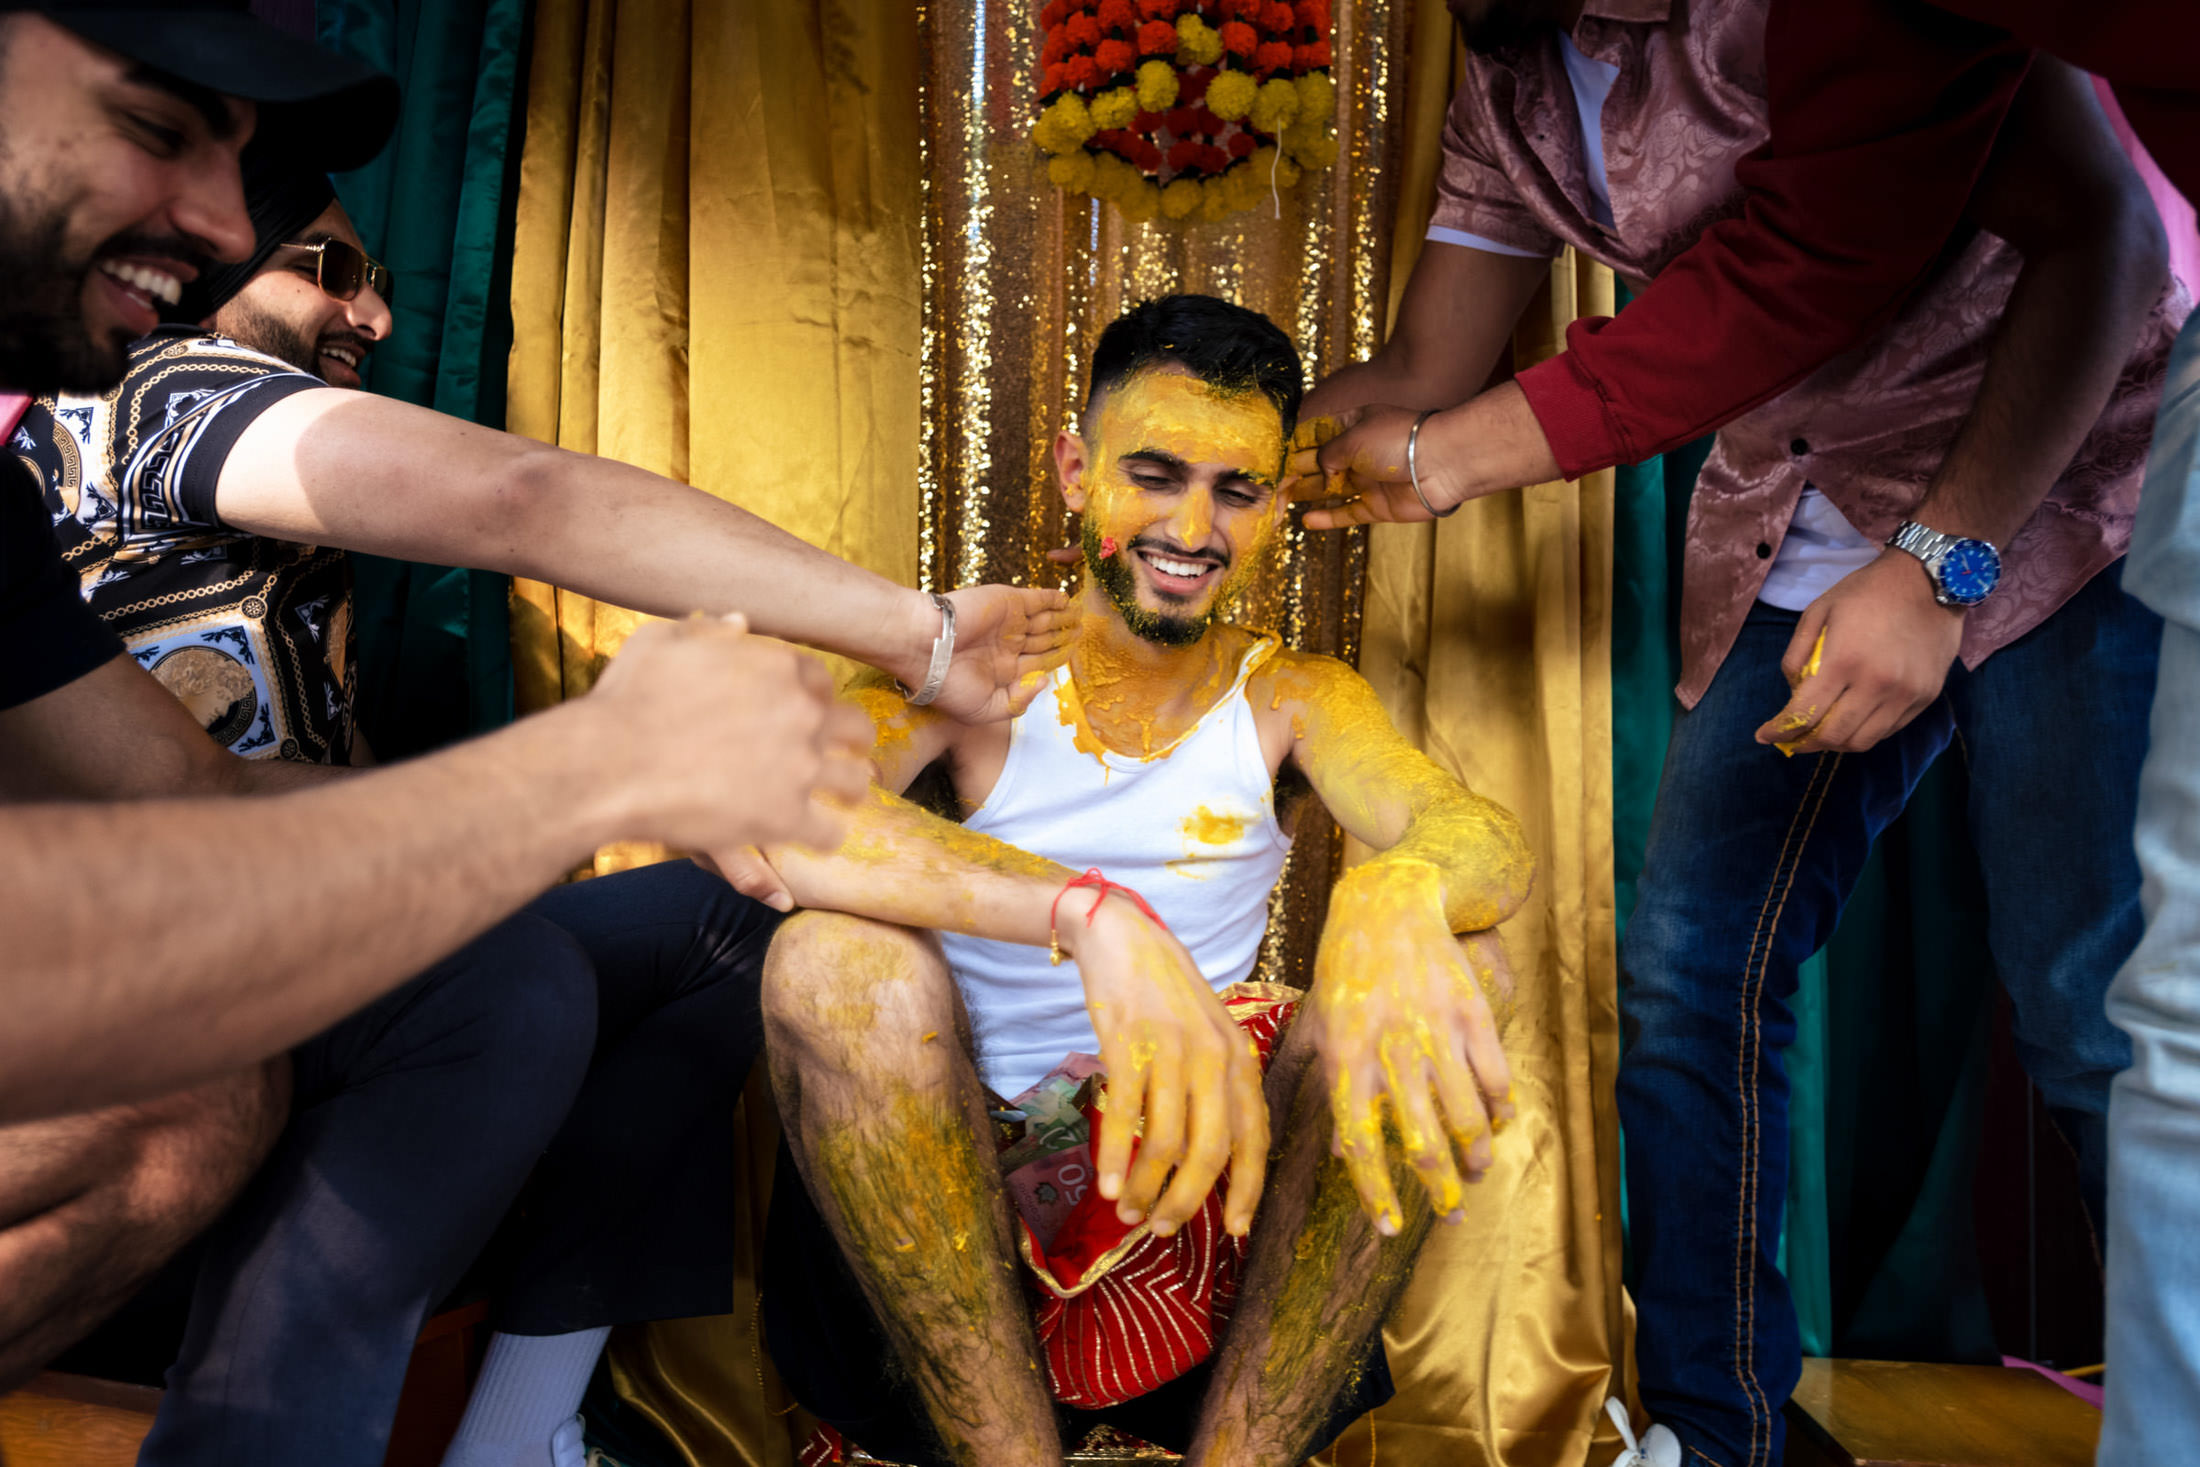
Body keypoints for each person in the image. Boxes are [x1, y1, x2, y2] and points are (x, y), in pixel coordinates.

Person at [1288, 4, 2185, 1463]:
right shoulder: (1508, 79)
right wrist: (1218, 463)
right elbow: (1419, 376)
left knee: (2093, 1006)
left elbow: (2115, 244)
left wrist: (1944, 562)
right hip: (1807, 507)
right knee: (1691, 970)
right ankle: (1725, 1437)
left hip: (2051, 491)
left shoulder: (1804, 19)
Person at [718, 295, 1535, 1467]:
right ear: (1074, 470)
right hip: (940, 1165)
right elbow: (782, 817)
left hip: (1200, 1181)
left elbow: (1476, 837)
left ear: (1271, 509)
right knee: (827, 959)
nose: (1191, 526)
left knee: (1470, 954)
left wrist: (1393, 891)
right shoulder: (978, 655)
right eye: (1153, 474)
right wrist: (1090, 917)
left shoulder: (1293, 692)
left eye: (1236, 490)